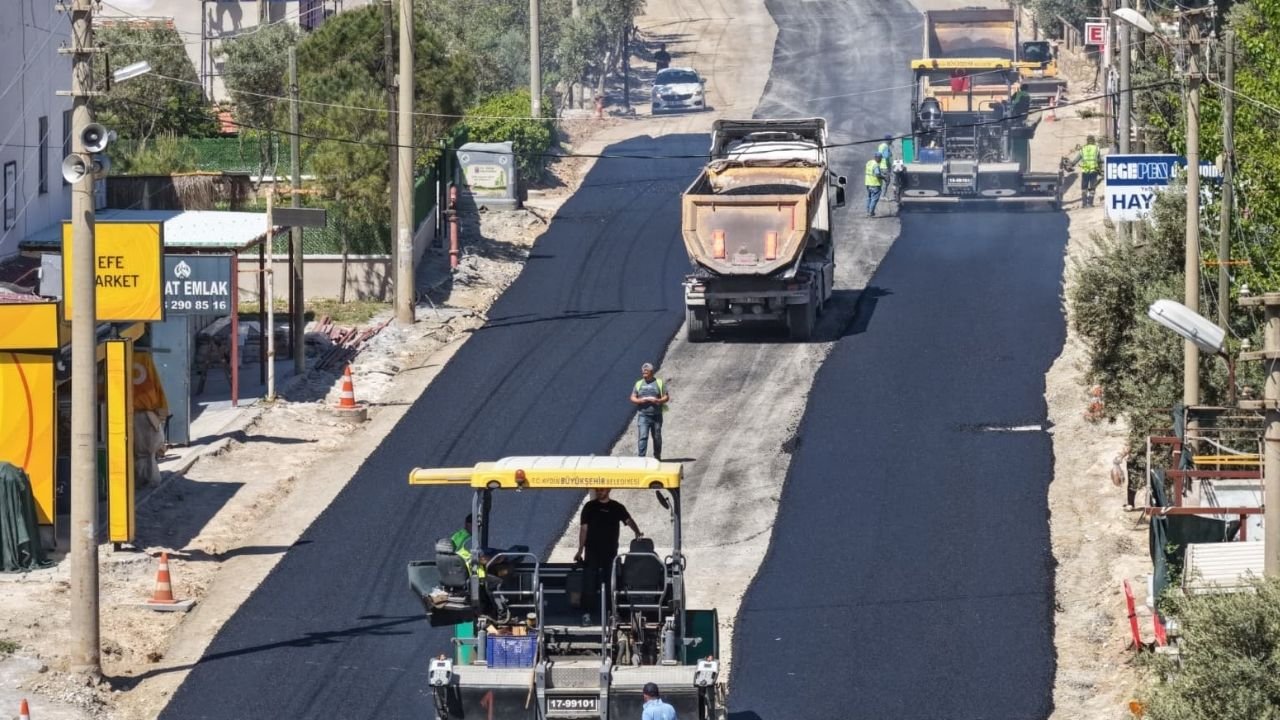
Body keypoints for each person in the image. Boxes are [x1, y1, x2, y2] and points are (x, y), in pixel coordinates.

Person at [575, 488, 643, 624]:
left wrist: (637, 532)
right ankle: (587, 614)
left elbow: (629, 520)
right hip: (592, 552)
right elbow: (584, 529)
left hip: (610, 553)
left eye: (602, 490)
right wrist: (580, 550)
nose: (599, 492)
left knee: (611, 584)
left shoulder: (616, 507)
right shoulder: (589, 507)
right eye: (597, 490)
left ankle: (612, 614)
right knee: (589, 583)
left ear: (609, 490)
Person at [631, 363, 669, 460]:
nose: (644, 373)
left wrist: (659, 401)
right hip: (643, 416)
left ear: (651, 372)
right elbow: (632, 397)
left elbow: (666, 397)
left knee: (657, 438)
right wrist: (640, 401)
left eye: (646, 371)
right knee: (643, 437)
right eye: (643, 371)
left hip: (656, 416)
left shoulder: (659, 383)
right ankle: (641, 459)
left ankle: (657, 457)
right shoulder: (639, 384)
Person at [1080, 135, 1100, 207]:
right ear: (1093, 141)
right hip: (1093, 171)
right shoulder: (1096, 148)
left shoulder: (1083, 148)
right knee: (1092, 187)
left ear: (1087, 141)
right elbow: (1099, 160)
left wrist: (1072, 164)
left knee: (1084, 188)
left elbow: (1077, 158)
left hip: (1085, 171)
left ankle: (1084, 204)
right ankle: (1090, 203)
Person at [865, 152, 885, 217]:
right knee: (874, 199)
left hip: (868, 183)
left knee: (869, 198)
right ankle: (871, 212)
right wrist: (884, 178)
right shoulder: (876, 165)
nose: (881, 159)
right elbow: (877, 174)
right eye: (881, 158)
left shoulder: (869, 162)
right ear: (877, 158)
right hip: (875, 184)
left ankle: (868, 211)